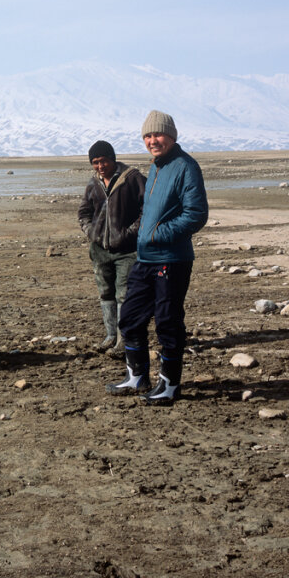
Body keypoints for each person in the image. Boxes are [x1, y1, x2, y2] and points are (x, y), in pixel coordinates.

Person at [108, 111, 208, 405]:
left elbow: (196, 215)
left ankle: (169, 384)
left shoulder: (185, 167)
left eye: (158, 135)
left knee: (167, 321)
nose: (153, 141)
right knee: (130, 318)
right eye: (147, 136)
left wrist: (157, 234)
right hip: (146, 258)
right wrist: (140, 234)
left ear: (172, 136)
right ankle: (137, 376)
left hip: (172, 259)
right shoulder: (156, 167)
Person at [77, 140, 145, 354]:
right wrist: (92, 233)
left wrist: (129, 234)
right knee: (105, 292)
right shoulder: (93, 182)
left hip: (127, 250)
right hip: (100, 249)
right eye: (95, 162)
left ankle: (124, 340)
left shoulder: (132, 179)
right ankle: (110, 336)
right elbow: (83, 213)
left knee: (124, 295)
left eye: (103, 160)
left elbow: (148, 210)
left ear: (112, 159)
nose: (100, 166)